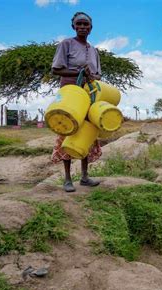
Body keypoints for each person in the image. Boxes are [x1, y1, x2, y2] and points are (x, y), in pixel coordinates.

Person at [51, 12, 102, 192]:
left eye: (85, 24)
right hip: (71, 96)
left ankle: (85, 176)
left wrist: (91, 76)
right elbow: (56, 69)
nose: (82, 27)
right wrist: (80, 73)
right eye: (79, 24)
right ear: (73, 26)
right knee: (68, 131)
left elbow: (98, 75)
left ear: (91, 28)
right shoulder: (67, 44)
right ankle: (67, 179)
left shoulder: (94, 50)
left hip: (88, 96)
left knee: (85, 133)